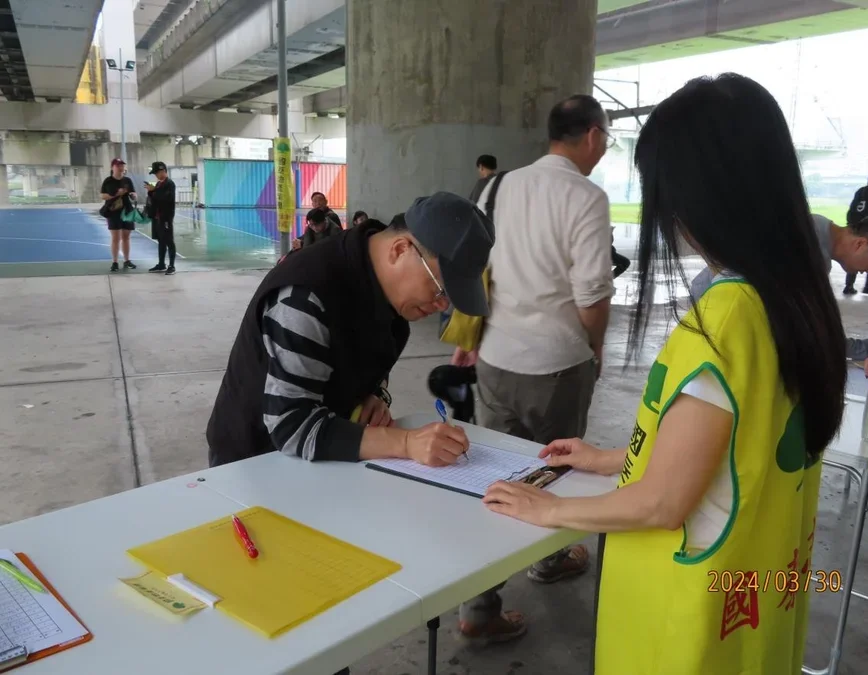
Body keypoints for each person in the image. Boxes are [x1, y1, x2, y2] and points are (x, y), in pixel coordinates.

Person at [483, 74, 847, 675]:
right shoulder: (794, 295)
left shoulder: (725, 315)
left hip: (684, 622)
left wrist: (546, 511)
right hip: (756, 598)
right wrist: (608, 458)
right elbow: (736, 450)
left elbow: (662, 504)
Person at [451, 95, 614, 643]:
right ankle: (546, 560)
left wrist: (472, 334)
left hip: (496, 359)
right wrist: (596, 346)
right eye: (606, 137)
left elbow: (476, 266)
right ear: (591, 136)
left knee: (494, 480)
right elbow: (592, 292)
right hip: (557, 365)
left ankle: (478, 611)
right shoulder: (586, 197)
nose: (605, 146)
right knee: (553, 472)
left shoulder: (498, 186)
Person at [206, 190, 493, 467]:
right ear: (401, 250)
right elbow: (291, 426)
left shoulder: (387, 291)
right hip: (254, 465)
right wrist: (404, 443)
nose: (442, 305)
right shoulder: (306, 296)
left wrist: (374, 394)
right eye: (440, 290)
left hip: (322, 462)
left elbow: (362, 357)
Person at [691, 212, 868, 359]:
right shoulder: (813, 254)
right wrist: (861, 349)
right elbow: (813, 330)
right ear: (860, 244)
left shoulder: (815, 223)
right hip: (717, 315)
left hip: (712, 301)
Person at [100, 158, 137, 273]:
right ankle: (115, 262)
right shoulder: (108, 181)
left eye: (122, 165)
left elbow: (134, 193)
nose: (121, 167)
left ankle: (127, 260)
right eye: (118, 165)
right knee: (116, 238)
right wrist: (115, 195)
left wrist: (133, 195)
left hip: (127, 211)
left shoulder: (128, 180)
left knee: (126, 237)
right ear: (113, 167)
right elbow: (102, 195)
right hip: (113, 212)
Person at [146, 161, 177, 275]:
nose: (156, 175)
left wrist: (154, 191)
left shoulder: (170, 184)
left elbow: (166, 198)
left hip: (166, 218)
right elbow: (155, 198)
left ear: (163, 171)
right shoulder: (158, 184)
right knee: (161, 241)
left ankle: (172, 265)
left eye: (157, 173)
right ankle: (161, 264)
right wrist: (150, 192)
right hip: (157, 217)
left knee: (169, 241)